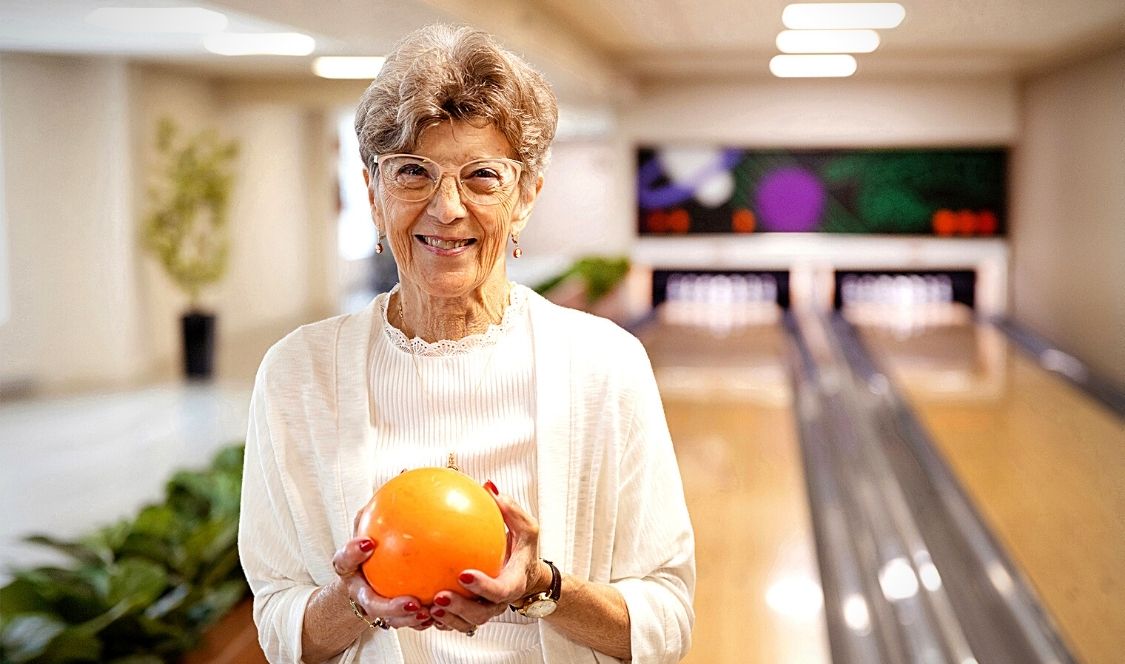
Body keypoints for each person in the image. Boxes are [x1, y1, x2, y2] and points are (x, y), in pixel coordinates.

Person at [238, 24, 695, 664]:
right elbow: (280, 626)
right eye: (412, 172)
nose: (447, 207)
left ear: (527, 194)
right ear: (372, 193)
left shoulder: (606, 366)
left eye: (482, 176)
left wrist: (543, 589)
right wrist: (355, 601)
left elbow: (666, 621)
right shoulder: (296, 374)